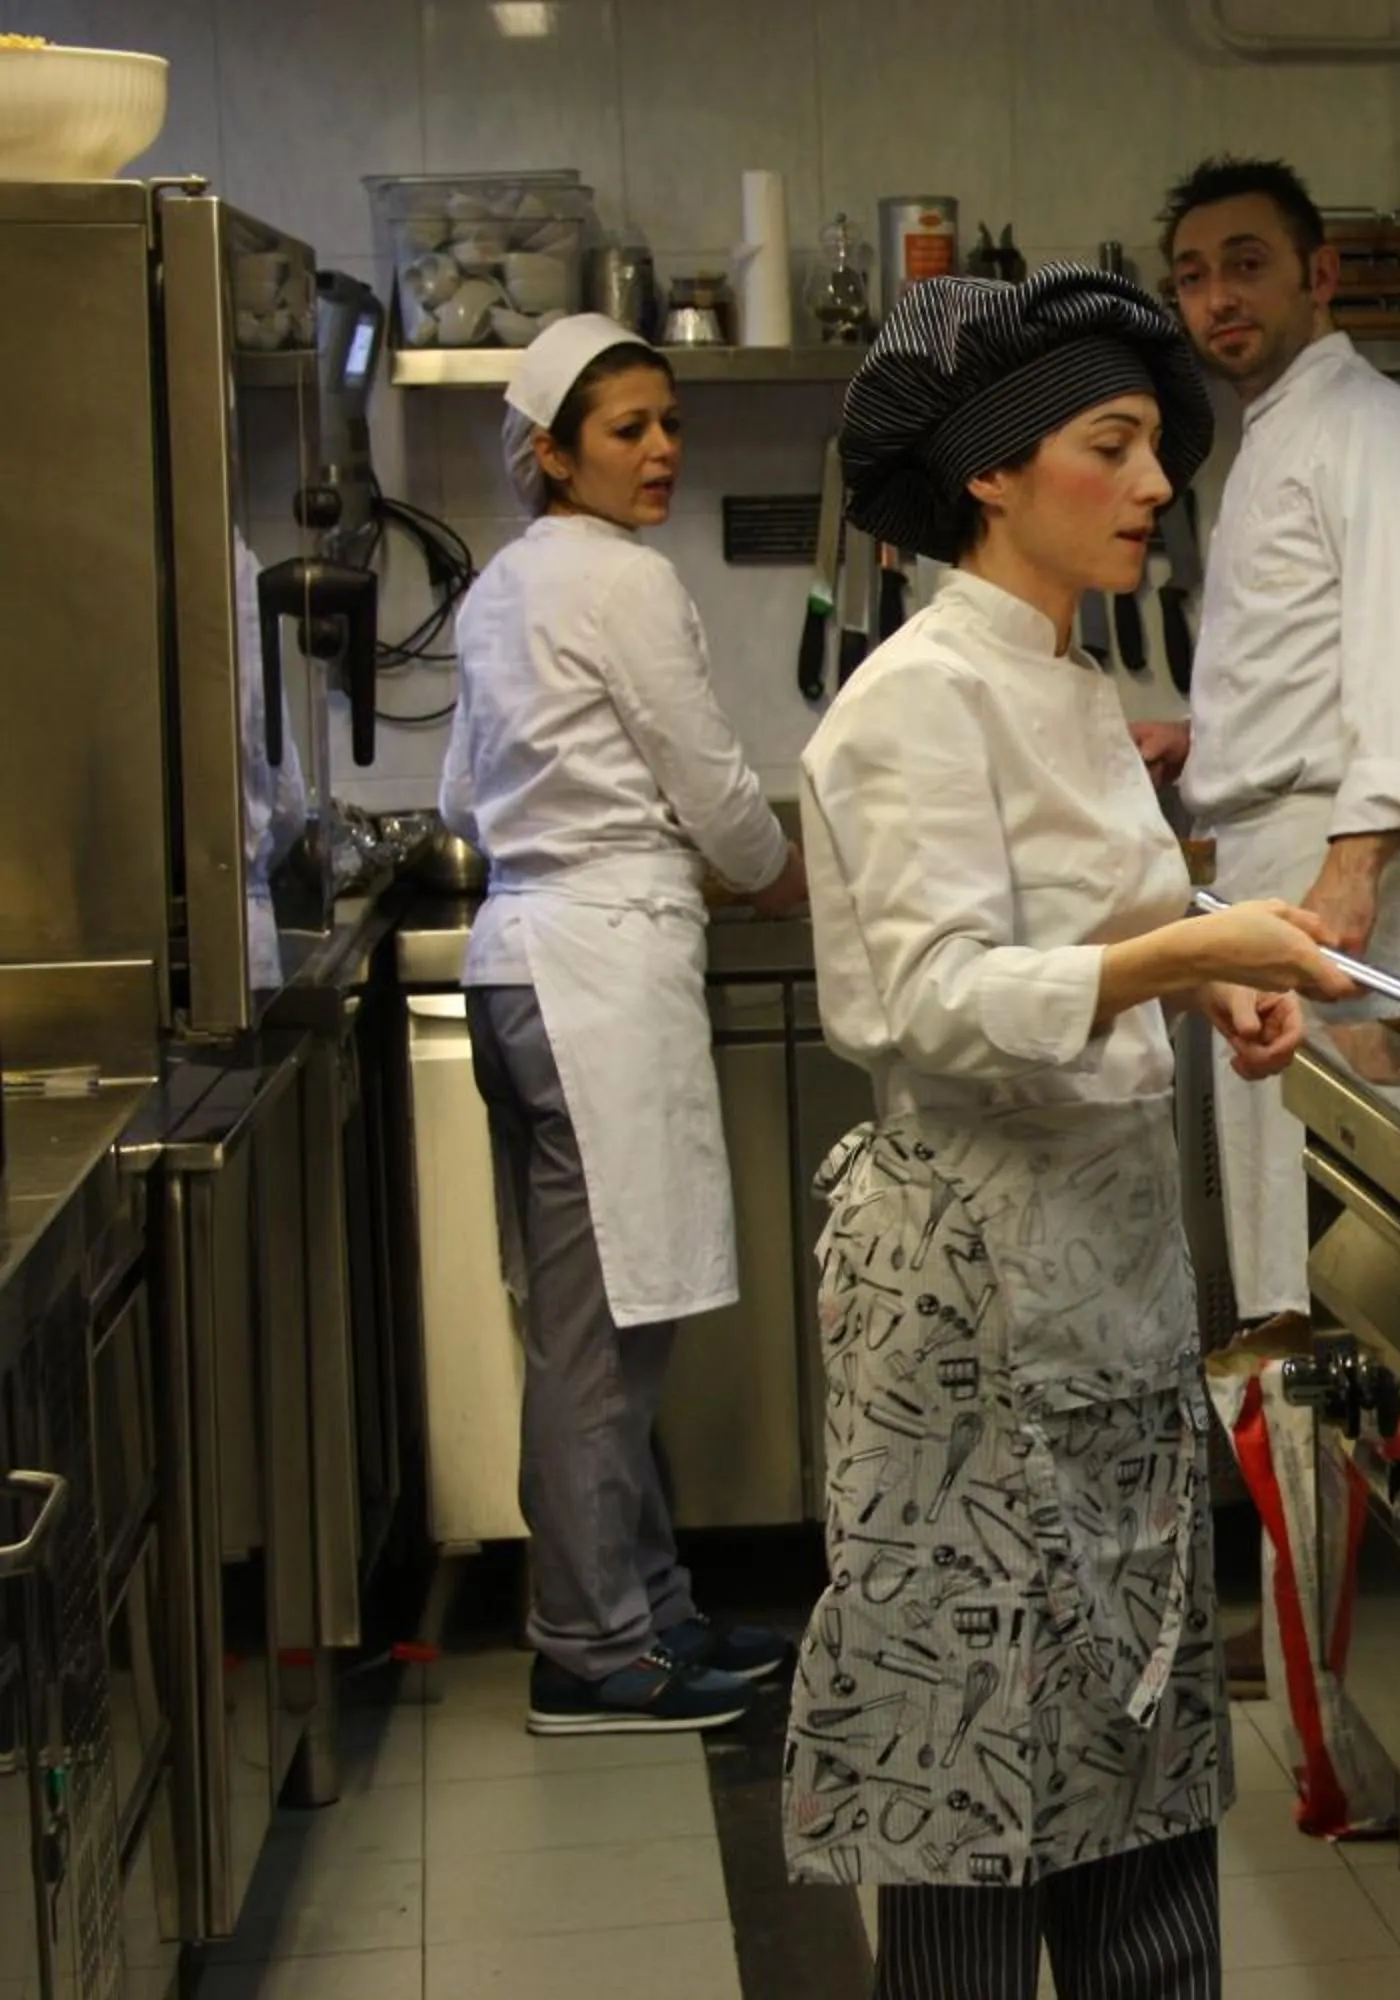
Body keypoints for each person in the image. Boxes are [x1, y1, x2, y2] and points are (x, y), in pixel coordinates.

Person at [783, 266, 1353, 1998]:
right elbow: (931, 1000)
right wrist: (1186, 949)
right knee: (974, 1802)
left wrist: (1197, 984)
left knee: (1135, 1754)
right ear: (993, 474)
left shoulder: (1076, 684)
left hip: (1100, 1295)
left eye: (1151, 445)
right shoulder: (908, 702)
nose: (1157, 481)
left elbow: (1080, 939)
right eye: (1111, 446)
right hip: (963, 1323)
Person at [441, 312, 808, 1737]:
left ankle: (647, 1611)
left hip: (519, 959)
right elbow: (713, 784)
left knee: (600, 1323)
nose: (662, 452)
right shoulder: (625, 584)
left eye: (669, 423)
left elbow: (461, 805)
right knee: (602, 1342)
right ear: (552, 452)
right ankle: (591, 1648)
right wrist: (772, 876)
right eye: (627, 431)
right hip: (592, 972)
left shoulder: (498, 588)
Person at [1149, 154, 1400, 1338]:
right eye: (1193, 277)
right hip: (1273, 859)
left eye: (1246, 265)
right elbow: (1315, 654)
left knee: (1340, 1253)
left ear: (1319, 275)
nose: (1218, 298)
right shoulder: (1274, 437)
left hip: (1341, 880)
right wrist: (1203, 738)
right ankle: (1301, 1480)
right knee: (1282, 1235)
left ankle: (1339, 1487)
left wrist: (1352, 868)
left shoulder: (1371, 430)